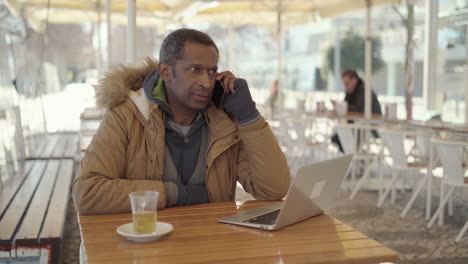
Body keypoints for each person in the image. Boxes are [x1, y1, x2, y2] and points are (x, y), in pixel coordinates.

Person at [73, 28, 291, 214]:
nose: (206, 82)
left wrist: (248, 114)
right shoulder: (127, 116)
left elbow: (274, 189)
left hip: (212, 246)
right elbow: (87, 193)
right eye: (195, 70)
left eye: (212, 71)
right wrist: (174, 194)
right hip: (145, 248)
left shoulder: (225, 123)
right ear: (165, 72)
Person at [331, 69, 382, 152]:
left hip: (370, 126)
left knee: (342, 140)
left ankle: (352, 160)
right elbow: (346, 105)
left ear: (354, 80)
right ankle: (349, 159)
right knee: (337, 138)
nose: (345, 86)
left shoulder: (364, 90)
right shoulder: (351, 91)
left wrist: (340, 107)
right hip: (356, 125)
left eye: (346, 83)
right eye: (344, 84)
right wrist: (338, 107)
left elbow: (359, 109)